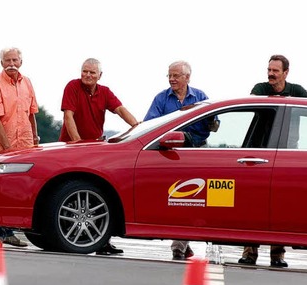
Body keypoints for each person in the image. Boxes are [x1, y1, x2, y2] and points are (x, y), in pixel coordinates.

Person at [59, 58, 139, 255]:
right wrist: (78, 144)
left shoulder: (105, 91)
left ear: (99, 76)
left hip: (95, 150)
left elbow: (120, 110)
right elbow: (68, 115)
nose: (87, 75)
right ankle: (69, 236)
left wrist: (138, 127)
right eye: (85, 71)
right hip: (72, 147)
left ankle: (101, 241)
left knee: (98, 194)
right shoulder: (72, 86)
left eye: (92, 73)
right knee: (72, 193)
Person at [239, 54, 307, 268]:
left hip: (284, 155)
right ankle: (249, 252)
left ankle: (277, 254)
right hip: (257, 153)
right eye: (269, 70)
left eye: (275, 71)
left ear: (286, 73)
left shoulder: (298, 92)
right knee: (253, 203)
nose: (270, 74)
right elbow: (253, 101)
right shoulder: (260, 88)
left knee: (281, 203)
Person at [144, 60, 216, 260]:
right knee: (176, 197)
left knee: (194, 198)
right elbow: (151, 125)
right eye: (169, 75)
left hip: (197, 151)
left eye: (176, 76)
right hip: (171, 152)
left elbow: (213, 125)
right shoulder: (161, 99)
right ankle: (183, 242)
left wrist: (211, 125)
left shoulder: (201, 97)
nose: (172, 79)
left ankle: (180, 244)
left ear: (187, 77)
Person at [0, 47, 40, 247]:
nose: (11, 64)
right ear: (1, 63)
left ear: (21, 62)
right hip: (2, 148)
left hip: (24, 145)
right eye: (7, 61)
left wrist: (34, 138)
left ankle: (9, 232)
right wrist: (7, 148)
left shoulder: (27, 83)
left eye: (15, 60)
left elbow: (31, 113)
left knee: (16, 190)